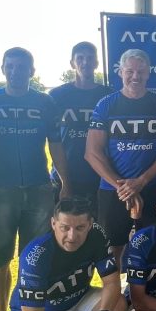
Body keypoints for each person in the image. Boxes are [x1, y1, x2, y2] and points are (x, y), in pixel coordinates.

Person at [0, 47, 68, 311]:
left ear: (32, 70)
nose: (16, 71)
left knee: (34, 257)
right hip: (0, 191)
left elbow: (56, 144)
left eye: (22, 66)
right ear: (3, 68)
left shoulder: (44, 102)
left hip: (39, 190)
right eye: (11, 66)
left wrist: (65, 183)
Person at [86, 49, 156, 265]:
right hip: (113, 190)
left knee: (153, 245)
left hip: (152, 187)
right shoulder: (106, 104)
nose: (135, 76)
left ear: (149, 73)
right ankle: (115, 287)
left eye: (141, 71)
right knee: (112, 249)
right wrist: (123, 187)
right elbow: (92, 152)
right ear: (120, 72)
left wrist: (141, 181)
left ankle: (147, 286)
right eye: (130, 71)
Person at [49, 42, 113, 205]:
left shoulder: (109, 95)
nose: (85, 62)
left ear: (96, 63)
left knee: (98, 221)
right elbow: (52, 138)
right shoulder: (56, 95)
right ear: (72, 63)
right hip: (65, 175)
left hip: (100, 175)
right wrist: (64, 182)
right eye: (80, 58)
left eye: (90, 58)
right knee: (64, 221)